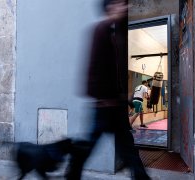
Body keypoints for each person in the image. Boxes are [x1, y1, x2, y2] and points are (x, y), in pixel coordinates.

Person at [65, 0, 150, 179]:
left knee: (128, 148)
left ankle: (141, 177)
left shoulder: (115, 32)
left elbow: (114, 73)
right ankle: (72, 172)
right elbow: (93, 69)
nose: (124, 7)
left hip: (114, 107)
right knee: (90, 146)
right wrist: (105, 97)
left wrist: (122, 96)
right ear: (110, 8)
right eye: (120, 4)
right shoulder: (101, 31)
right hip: (104, 107)